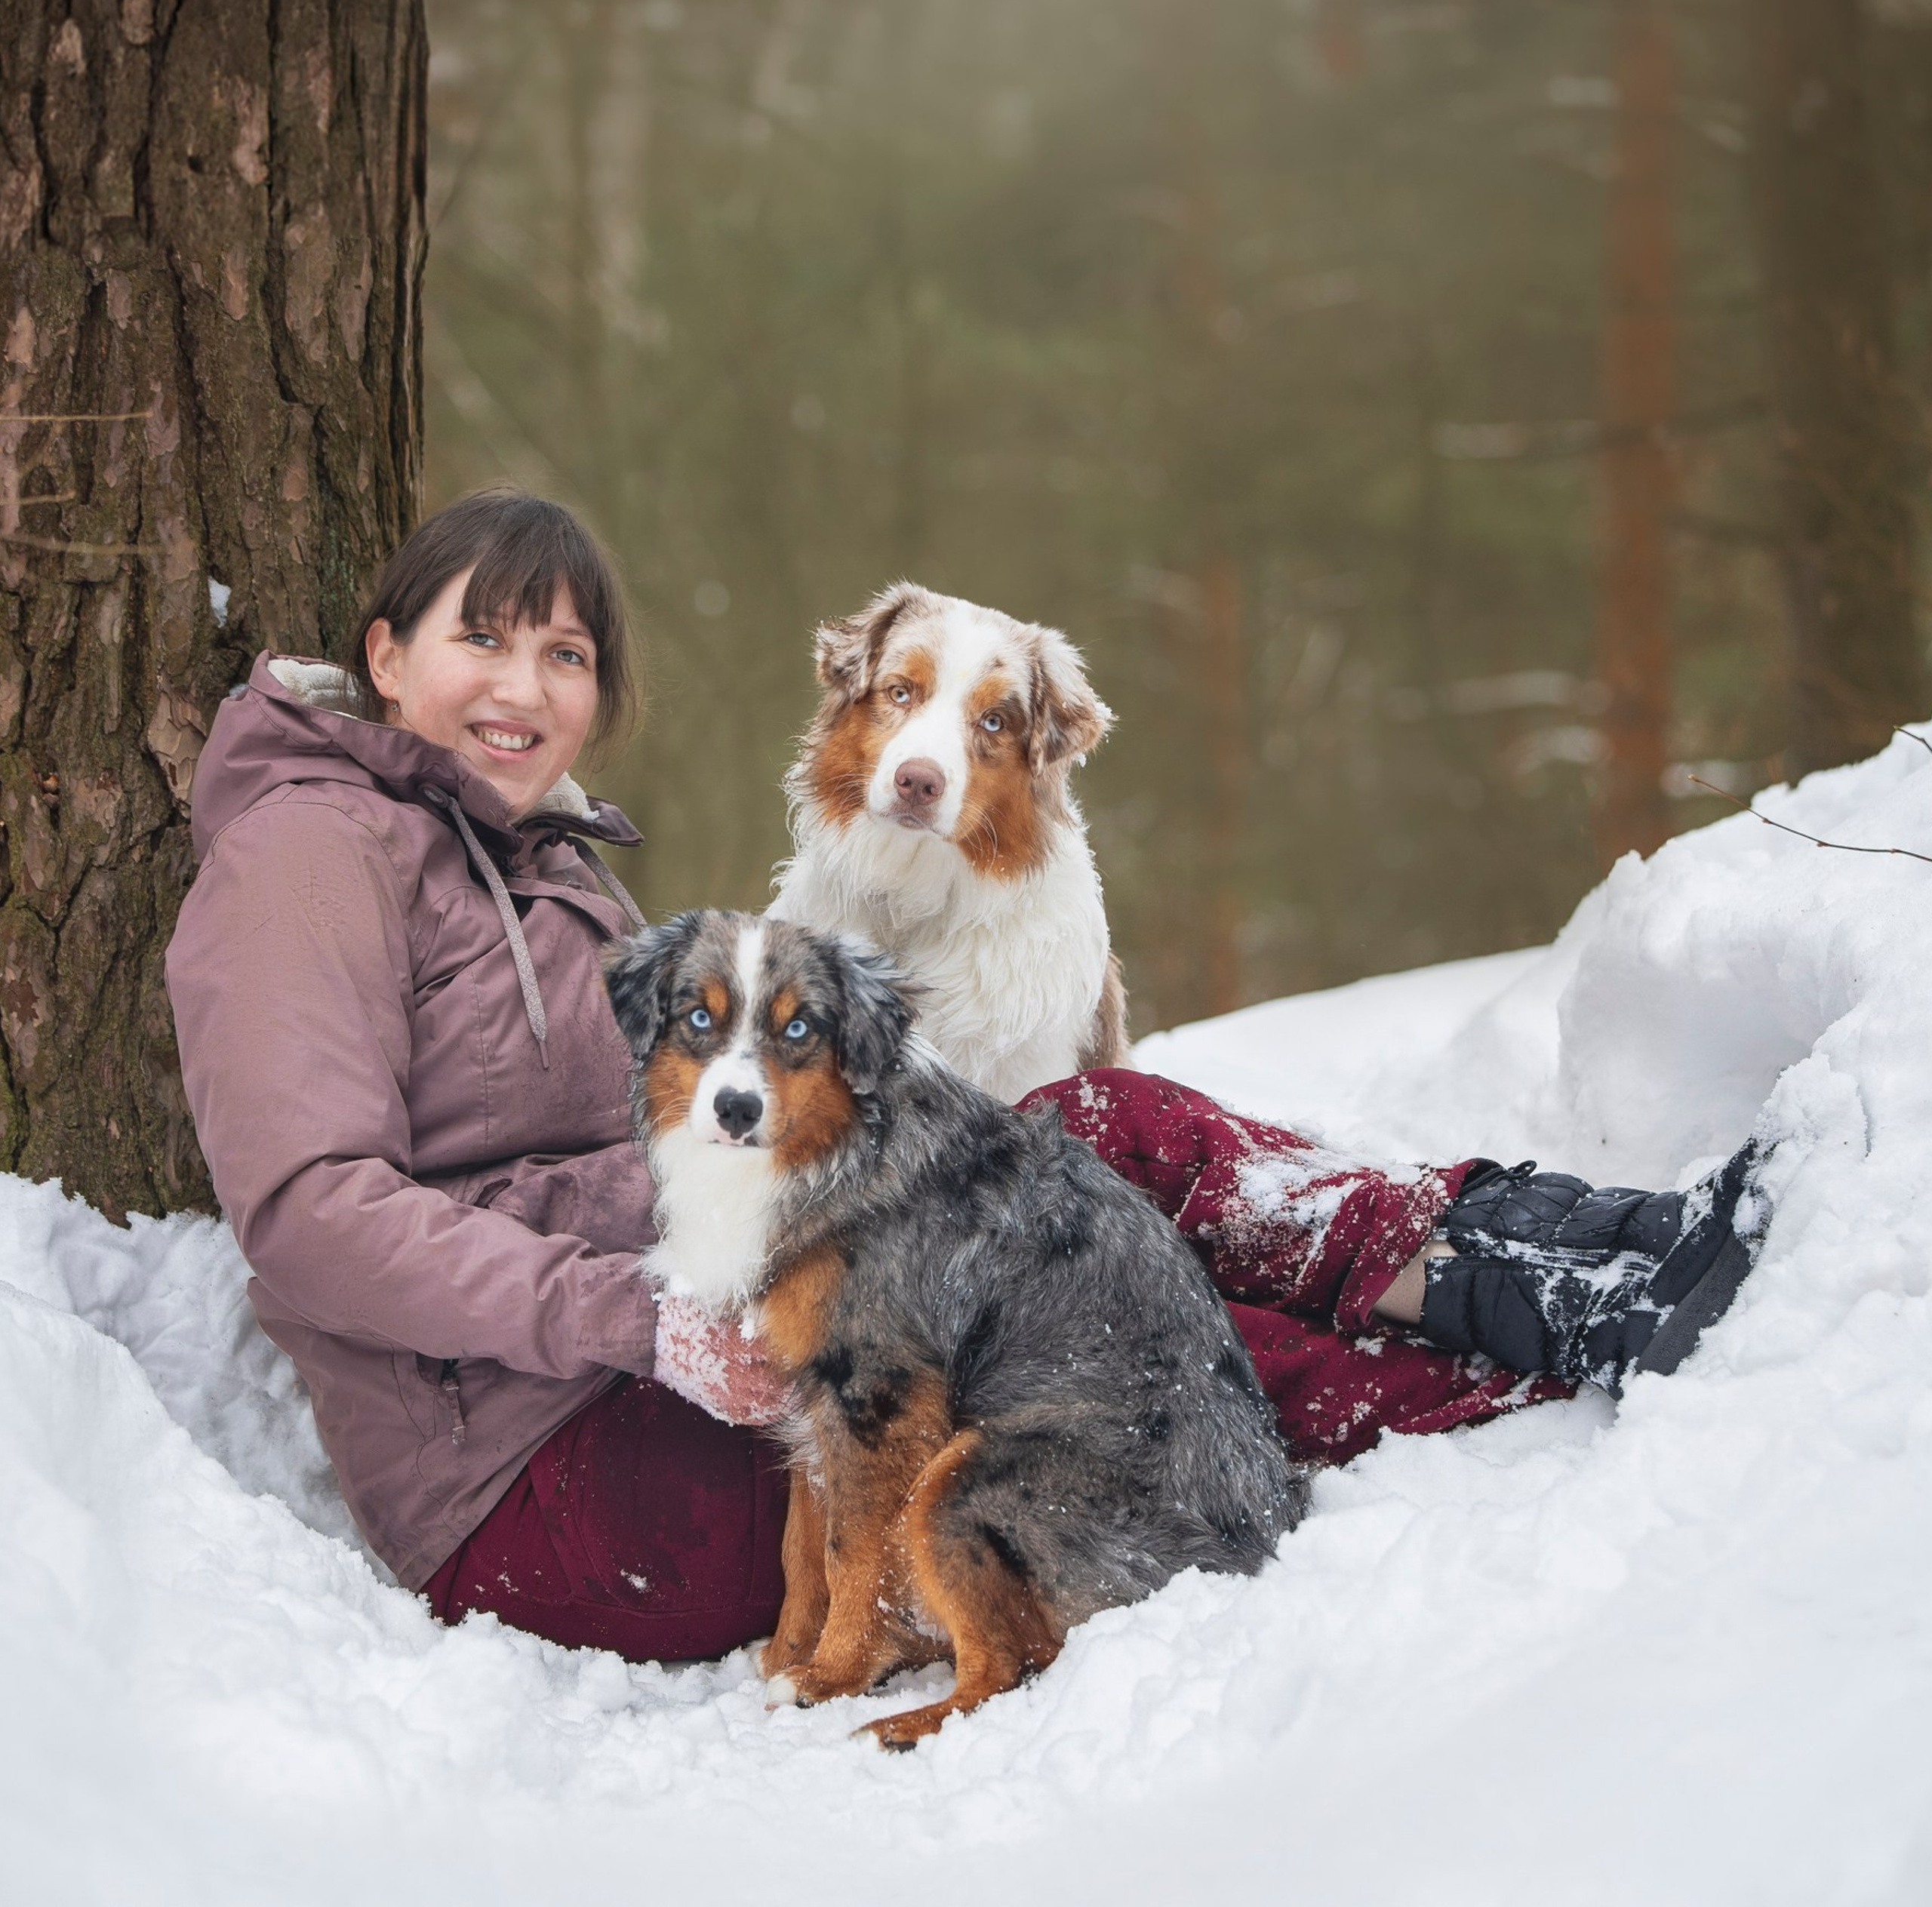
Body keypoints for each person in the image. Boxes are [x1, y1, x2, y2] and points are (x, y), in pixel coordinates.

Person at [167, 489, 1767, 1668]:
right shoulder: (309, 856)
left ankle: (1523, 1253)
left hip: (682, 1332)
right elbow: (308, 1216)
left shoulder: (549, 865)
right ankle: (1493, 1390)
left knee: (1083, 1142)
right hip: (538, 1470)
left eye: (564, 652)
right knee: (1051, 1325)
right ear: (386, 655)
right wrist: (634, 1320)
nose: (523, 687)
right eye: (481, 638)